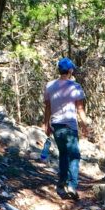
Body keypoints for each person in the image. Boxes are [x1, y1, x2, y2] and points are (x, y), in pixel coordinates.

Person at [43, 57, 89, 199]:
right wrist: (85, 125)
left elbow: (48, 107)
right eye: (72, 69)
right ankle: (72, 186)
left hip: (56, 126)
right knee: (74, 156)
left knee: (63, 154)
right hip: (70, 125)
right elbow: (80, 108)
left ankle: (62, 182)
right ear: (69, 70)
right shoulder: (75, 87)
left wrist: (46, 124)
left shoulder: (50, 86)